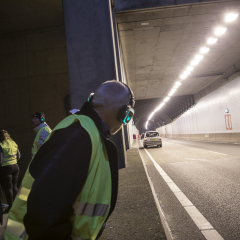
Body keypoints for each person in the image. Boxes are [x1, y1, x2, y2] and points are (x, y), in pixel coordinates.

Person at [5, 80, 135, 240]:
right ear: (125, 114)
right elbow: (45, 216)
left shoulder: (89, 134)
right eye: (127, 118)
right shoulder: (79, 137)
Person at [5, 113, 51, 239]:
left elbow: (44, 150)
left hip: (39, 168)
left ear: (41, 119)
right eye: (32, 118)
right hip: (37, 167)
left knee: (29, 193)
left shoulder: (43, 131)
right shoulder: (41, 130)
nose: (33, 121)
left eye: (35, 118)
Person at [0, 130, 20, 214]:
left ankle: (10, 207)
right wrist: (13, 161)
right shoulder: (13, 142)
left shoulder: (1, 144)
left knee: (8, 188)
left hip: (6, 168)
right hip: (15, 166)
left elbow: (0, 160)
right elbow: (19, 155)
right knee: (15, 186)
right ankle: (18, 205)